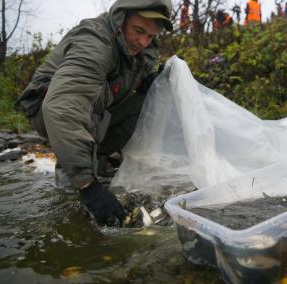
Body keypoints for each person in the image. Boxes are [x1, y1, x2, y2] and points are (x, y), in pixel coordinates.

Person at [16, 0, 173, 227]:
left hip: (91, 108)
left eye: (150, 36)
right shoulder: (95, 41)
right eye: (139, 31)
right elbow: (62, 106)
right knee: (89, 93)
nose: (143, 41)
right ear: (121, 20)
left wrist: (150, 82)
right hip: (48, 107)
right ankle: (75, 176)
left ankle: (97, 157)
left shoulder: (142, 49)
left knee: (150, 100)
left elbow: (134, 91)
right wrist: (88, 185)